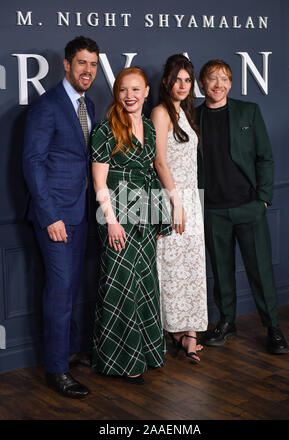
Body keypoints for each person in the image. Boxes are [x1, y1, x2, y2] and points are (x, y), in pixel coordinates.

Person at [23, 36, 99, 398]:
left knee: (71, 288)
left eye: (94, 64)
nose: (88, 70)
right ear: (66, 65)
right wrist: (50, 214)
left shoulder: (90, 105)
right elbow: (33, 164)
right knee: (59, 292)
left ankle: (68, 351)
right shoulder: (47, 106)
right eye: (82, 63)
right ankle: (57, 370)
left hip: (81, 213)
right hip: (55, 215)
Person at [195, 59, 289, 354]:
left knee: (260, 270)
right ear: (201, 84)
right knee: (221, 273)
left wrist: (262, 198)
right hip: (212, 210)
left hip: (248, 206)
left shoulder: (248, 111)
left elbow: (265, 157)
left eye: (224, 79)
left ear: (231, 84)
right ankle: (226, 323)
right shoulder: (191, 118)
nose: (219, 85)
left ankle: (273, 327)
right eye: (212, 79)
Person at [91, 67, 172, 385]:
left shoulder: (151, 128)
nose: (130, 96)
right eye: (124, 90)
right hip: (116, 215)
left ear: (147, 91)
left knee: (144, 282)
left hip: (146, 211)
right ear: (117, 93)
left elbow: (157, 168)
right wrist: (110, 222)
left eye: (136, 90)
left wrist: (172, 206)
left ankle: (148, 352)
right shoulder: (105, 128)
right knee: (120, 285)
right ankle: (121, 360)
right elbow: (98, 182)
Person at [151, 54, 208, 363]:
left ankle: (190, 335)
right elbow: (159, 161)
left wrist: (188, 204)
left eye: (188, 80)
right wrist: (176, 203)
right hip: (173, 201)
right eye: (178, 79)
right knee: (172, 270)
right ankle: (173, 331)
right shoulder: (161, 113)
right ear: (166, 82)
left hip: (192, 202)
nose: (183, 85)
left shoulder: (185, 113)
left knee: (192, 271)